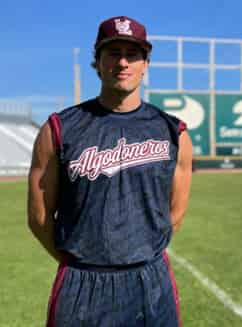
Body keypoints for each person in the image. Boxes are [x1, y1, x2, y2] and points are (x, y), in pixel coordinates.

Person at [27, 15, 192, 327]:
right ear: (98, 61)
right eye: (113, 52)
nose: (123, 63)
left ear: (145, 63)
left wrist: (142, 251)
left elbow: (176, 213)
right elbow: (39, 218)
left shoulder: (174, 132)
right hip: (82, 281)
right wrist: (77, 262)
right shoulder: (59, 129)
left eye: (133, 54)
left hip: (151, 278)